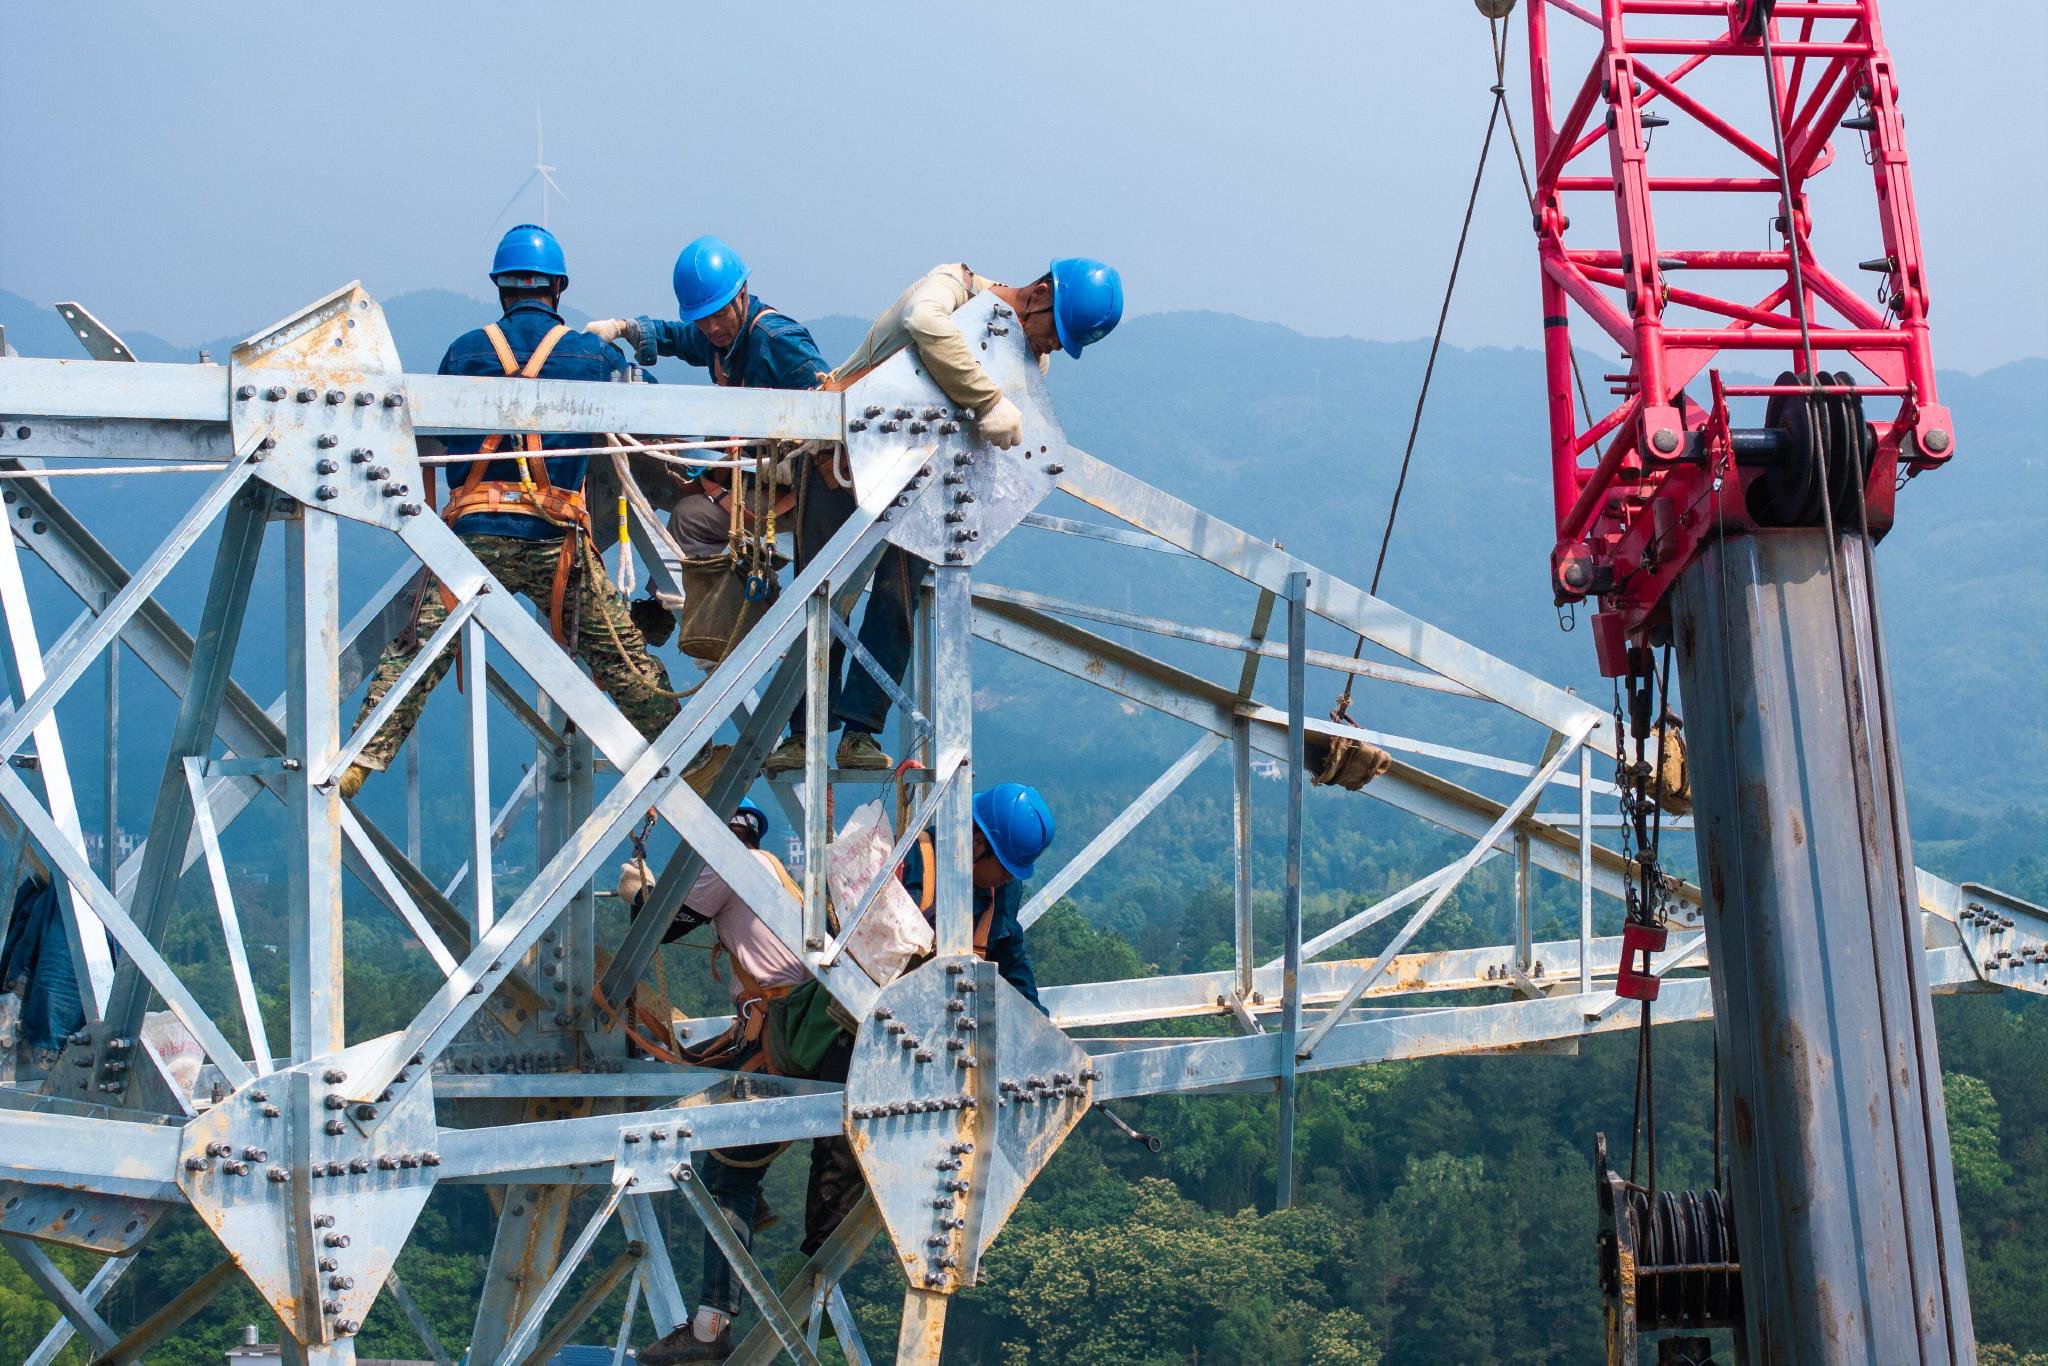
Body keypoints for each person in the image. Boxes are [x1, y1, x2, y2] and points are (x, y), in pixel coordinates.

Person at [338, 226, 678, 798]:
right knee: (619, 654)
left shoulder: (463, 351)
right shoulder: (591, 355)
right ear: (559, 289)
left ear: (501, 290)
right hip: (556, 542)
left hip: (471, 538)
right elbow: (656, 412)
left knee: (417, 653)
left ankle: (363, 758)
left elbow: (436, 438)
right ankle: (687, 754)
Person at [757, 259, 1126, 777]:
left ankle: (860, 728)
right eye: (1056, 333)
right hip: (844, 459)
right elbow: (924, 323)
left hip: (920, 480)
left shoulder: (1022, 352)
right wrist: (988, 400)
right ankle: (803, 732)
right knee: (821, 594)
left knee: (896, 598)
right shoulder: (953, 285)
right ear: (1040, 294)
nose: (1054, 348)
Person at [629, 800, 861, 1364]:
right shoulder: (773, 868)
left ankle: (710, 1328)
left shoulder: (724, 863)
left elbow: (658, 926)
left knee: (725, 1174)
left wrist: (636, 890)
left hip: (786, 1034)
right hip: (813, 1029)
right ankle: (767, 1232)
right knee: (743, 1163)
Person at [585, 235, 828, 589]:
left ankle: (682, 611)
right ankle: (677, 604)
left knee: (688, 518)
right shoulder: (722, 338)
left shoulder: (776, 340)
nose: (711, 328)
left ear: (742, 295)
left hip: (792, 495)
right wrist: (625, 328)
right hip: (749, 482)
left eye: (719, 315)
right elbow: (678, 337)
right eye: (702, 320)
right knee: (660, 473)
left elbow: (829, 403)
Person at [899, 782, 1058, 1010]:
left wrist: (1037, 1027)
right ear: (977, 844)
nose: (1008, 879)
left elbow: (1011, 965)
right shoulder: (912, 863)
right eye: (1004, 869)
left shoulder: (1002, 891)